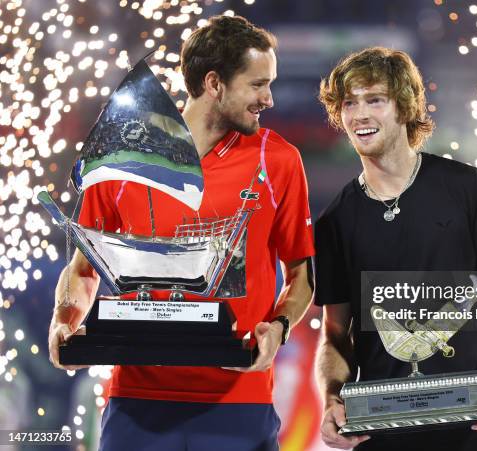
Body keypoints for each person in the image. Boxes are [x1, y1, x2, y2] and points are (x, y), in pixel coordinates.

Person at [48, 15, 315, 451]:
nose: (269, 98)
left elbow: (302, 274)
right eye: (257, 84)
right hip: (137, 400)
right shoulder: (122, 158)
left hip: (239, 399)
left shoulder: (279, 159)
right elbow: (83, 269)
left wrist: (279, 329)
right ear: (214, 83)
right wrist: (65, 319)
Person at [314, 47, 477, 451]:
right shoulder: (335, 220)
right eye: (349, 103)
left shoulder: (465, 187)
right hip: (381, 435)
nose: (359, 114)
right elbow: (336, 334)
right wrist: (332, 399)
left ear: (405, 106)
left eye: (374, 99)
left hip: (472, 431)